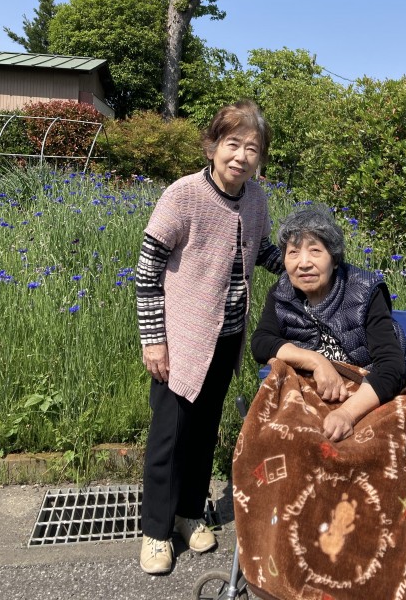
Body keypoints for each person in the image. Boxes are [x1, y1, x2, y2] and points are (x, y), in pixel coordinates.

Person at [135, 100, 282, 574]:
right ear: (213, 145)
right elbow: (147, 272)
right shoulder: (183, 195)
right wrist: (154, 340)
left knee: (203, 433)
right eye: (233, 144)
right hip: (181, 340)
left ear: (260, 158)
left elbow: (262, 251)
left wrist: (308, 265)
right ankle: (156, 532)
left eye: (252, 148)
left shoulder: (256, 199)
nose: (241, 156)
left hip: (228, 338)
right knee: (169, 437)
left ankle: (188, 513)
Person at [251, 205, 406, 442]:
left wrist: (346, 414)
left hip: (368, 395)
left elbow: (392, 368)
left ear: (334, 259)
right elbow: (261, 342)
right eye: (293, 252)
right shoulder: (282, 293)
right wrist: (316, 361)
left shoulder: (365, 291)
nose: (303, 263)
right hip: (314, 393)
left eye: (315, 251)